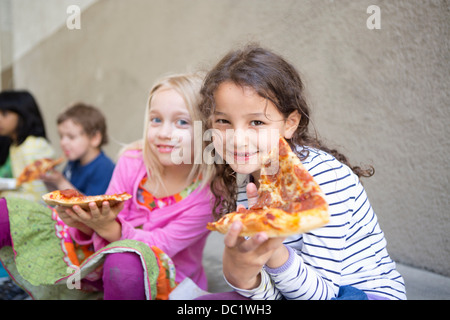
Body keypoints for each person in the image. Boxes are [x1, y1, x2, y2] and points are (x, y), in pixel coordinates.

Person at [197, 45, 406, 300]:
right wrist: (244, 277)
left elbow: (322, 296)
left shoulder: (323, 179)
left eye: (256, 122)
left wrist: (273, 251)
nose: (237, 139)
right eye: (223, 121)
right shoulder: (245, 187)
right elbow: (272, 296)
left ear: (290, 123)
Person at [0, 73, 216, 300]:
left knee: (122, 261)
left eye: (182, 122)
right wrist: (83, 223)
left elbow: (159, 247)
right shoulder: (132, 160)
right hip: (100, 253)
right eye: (156, 119)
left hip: (161, 275)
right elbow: (107, 213)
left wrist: (106, 227)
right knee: (6, 213)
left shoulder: (208, 195)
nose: (163, 133)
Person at [41, 102, 115, 196]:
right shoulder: (73, 162)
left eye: (71, 137)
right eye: (61, 137)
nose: (63, 142)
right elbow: (61, 195)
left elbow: (90, 205)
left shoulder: (104, 168)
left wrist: (60, 182)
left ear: (94, 138)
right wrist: (49, 180)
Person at [0, 90, 56, 203]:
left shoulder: (34, 145)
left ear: (22, 115)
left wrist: (5, 195)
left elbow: (41, 196)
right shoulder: (15, 146)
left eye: (4, 114)